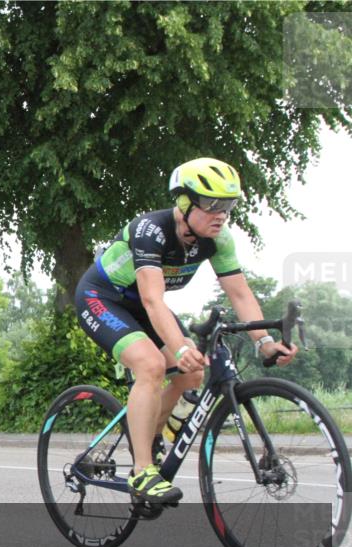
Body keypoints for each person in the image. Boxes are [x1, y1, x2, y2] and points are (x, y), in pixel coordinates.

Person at [75, 158, 297, 504]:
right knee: (150, 364)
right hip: (104, 298)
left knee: (190, 375)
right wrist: (178, 347)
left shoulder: (218, 240)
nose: (221, 214)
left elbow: (239, 293)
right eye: (212, 205)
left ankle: (148, 439)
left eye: (229, 205)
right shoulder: (151, 231)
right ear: (183, 202)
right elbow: (152, 300)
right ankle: (142, 471)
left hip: (146, 307)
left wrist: (265, 343)